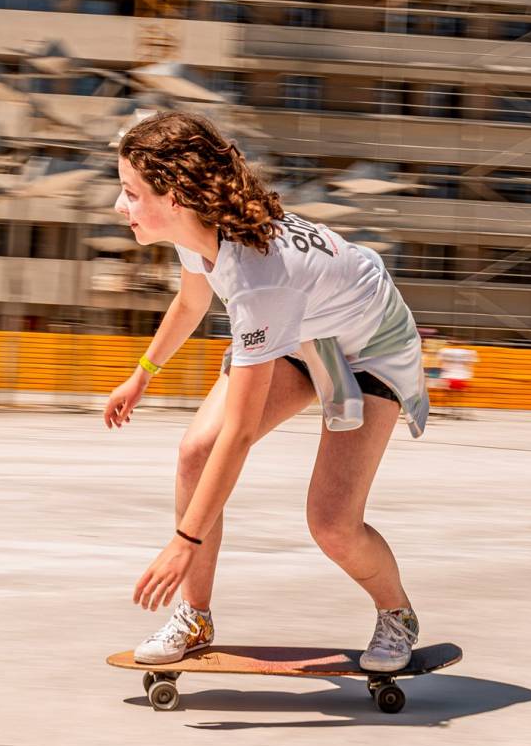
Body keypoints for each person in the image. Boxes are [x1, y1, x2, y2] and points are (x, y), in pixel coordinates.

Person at [103, 111, 430, 672]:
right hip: (304, 331)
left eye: (130, 193)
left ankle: (396, 612)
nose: (119, 206)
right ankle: (196, 615)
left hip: (370, 346)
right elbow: (191, 304)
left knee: (332, 523)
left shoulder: (260, 281)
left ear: (174, 195)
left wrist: (184, 541)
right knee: (194, 453)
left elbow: (242, 432)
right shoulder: (197, 229)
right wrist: (142, 374)